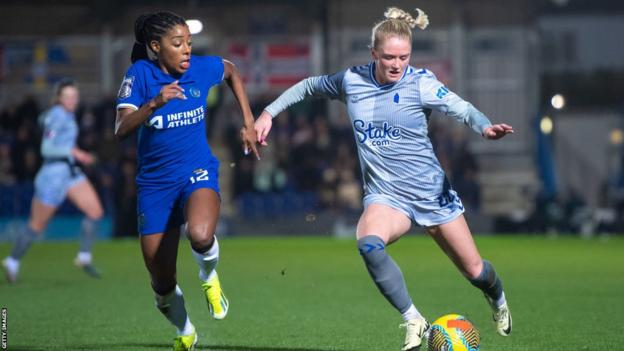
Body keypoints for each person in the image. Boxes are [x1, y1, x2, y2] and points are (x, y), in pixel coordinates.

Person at [254, 7, 514, 351]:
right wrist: (269, 113)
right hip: (387, 197)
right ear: (373, 53)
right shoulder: (351, 81)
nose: (396, 64)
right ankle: (413, 319)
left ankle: (496, 296)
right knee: (368, 243)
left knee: (475, 271)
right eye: (389, 56)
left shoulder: (421, 83)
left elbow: (462, 108)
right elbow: (307, 86)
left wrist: (484, 127)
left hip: (432, 196)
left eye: (403, 57)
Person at [114, 11, 258, 351]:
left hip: (197, 172)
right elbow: (120, 129)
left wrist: (248, 121)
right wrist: (155, 102)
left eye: (189, 44)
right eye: (177, 44)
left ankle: (209, 277)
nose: (186, 51)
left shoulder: (201, 69)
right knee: (161, 283)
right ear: (155, 47)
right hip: (154, 187)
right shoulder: (140, 75)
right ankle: (186, 331)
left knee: (199, 234)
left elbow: (232, 72)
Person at [2, 78, 104, 283]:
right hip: (53, 177)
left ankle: (84, 256)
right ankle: (12, 260)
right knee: (37, 225)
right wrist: (76, 153)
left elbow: (45, 125)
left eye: (74, 95)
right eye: (67, 96)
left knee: (95, 211)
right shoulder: (58, 116)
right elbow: (46, 149)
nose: (72, 99)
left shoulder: (62, 115)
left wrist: (74, 152)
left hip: (69, 174)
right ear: (58, 98)